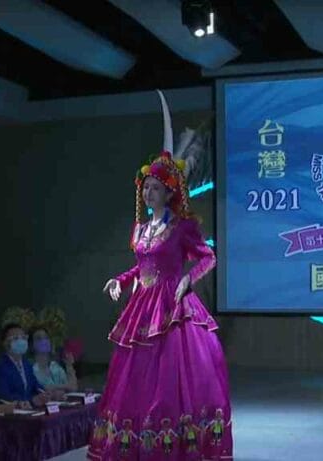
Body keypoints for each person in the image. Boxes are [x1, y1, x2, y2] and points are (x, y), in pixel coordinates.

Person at [87, 91, 232, 460]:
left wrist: (187, 279)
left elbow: (208, 257)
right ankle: (138, 443)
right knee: (136, 376)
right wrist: (121, 280)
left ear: (169, 193)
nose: (149, 192)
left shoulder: (182, 226)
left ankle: (180, 443)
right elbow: (143, 265)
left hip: (173, 304)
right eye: (146, 188)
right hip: (143, 304)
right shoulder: (141, 228)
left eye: (155, 188)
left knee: (174, 376)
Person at [0, 324, 48, 409]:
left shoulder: (27, 364)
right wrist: (30, 401)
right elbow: (3, 396)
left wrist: (47, 394)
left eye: (23, 337)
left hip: (31, 409)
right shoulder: (0, 367)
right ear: (5, 343)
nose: (21, 341)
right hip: (13, 413)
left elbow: (36, 386)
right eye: (16, 338)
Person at [30, 328, 77, 400]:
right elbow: (44, 389)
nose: (44, 341)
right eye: (39, 338)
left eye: (46, 338)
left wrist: (69, 365)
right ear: (31, 345)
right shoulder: (30, 369)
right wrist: (65, 386)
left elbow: (73, 387)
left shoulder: (55, 366)